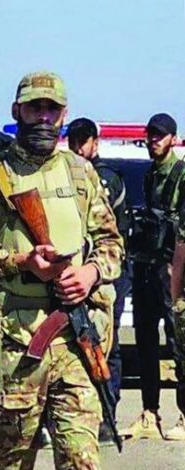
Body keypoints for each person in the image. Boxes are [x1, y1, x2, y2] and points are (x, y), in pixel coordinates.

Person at [0, 72, 124, 468]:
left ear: (64, 115)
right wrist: (20, 262)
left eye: (51, 109)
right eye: (34, 108)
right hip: (12, 345)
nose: (43, 117)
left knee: (82, 460)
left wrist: (90, 273)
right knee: (10, 459)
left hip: (75, 339)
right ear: (16, 111)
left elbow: (112, 244)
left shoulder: (82, 174)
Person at [67, 117, 131, 441]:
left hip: (105, 274)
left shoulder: (104, 179)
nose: (78, 148)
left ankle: (106, 416)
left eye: (84, 141)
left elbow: (112, 235)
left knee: (106, 343)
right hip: (70, 274)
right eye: (74, 141)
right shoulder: (62, 175)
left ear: (95, 143)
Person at [126, 113, 185, 440]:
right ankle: (150, 412)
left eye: (160, 135)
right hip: (146, 265)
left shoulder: (180, 174)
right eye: (150, 135)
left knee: (179, 343)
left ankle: (184, 416)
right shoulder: (150, 174)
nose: (153, 140)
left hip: (172, 268)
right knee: (145, 340)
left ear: (173, 139)